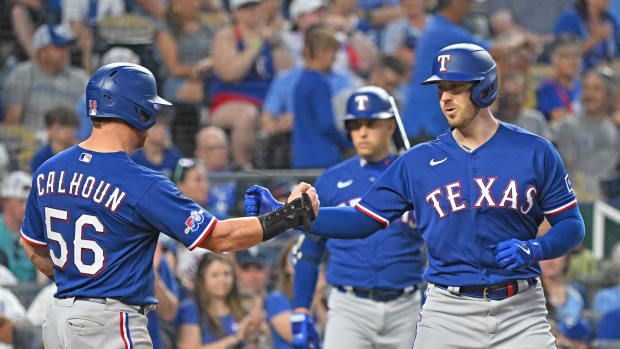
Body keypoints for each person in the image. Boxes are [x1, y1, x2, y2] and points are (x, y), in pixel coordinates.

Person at [246, 43, 586, 348]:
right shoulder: (418, 161)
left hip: (520, 308)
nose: (445, 98)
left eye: (455, 87)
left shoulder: (535, 151)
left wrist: (537, 248)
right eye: (441, 89)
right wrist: (283, 215)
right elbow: (362, 219)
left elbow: (571, 224)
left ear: (484, 88)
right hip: (447, 311)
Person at [18, 62, 318, 349]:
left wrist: (79, 287)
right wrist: (289, 215)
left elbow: (32, 247)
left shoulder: (49, 170)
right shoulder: (141, 181)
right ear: (139, 111)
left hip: (59, 318)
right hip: (108, 323)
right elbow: (218, 237)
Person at [290, 86, 424, 349]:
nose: (362, 132)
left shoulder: (414, 175)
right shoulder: (330, 180)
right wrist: (301, 309)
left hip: (407, 306)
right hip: (348, 306)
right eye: (354, 125)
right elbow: (309, 251)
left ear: (389, 126)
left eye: (371, 124)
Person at [2, 24, 88, 141]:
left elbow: (88, 122)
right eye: (59, 47)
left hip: (68, 146)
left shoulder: (80, 78)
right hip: (31, 145)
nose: (65, 52)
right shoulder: (21, 75)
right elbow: (12, 124)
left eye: (66, 47)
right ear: (42, 50)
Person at [553, 66, 619, 201]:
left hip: (611, 201)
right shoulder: (568, 125)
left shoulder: (615, 127)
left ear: (609, 95)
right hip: (577, 200)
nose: (589, 94)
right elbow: (564, 169)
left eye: (596, 89)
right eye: (586, 88)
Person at [176, 253, 264, 348]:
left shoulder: (242, 309)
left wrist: (253, 334)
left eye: (227, 274)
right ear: (202, 278)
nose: (222, 280)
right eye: (215, 275)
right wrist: (237, 337)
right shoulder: (190, 309)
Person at [292, 23, 350, 169]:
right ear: (321, 53)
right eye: (333, 53)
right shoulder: (319, 83)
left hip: (302, 157)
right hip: (322, 159)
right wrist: (349, 141)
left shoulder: (302, 80)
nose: (335, 59)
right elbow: (327, 125)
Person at [554, 0, 620, 70]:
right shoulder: (569, 20)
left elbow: (617, 51)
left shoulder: (610, 20)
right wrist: (594, 39)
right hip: (578, 74)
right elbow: (563, 55)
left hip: (608, 73)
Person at [536, 35, 583, 122]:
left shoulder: (584, 86)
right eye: (566, 57)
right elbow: (557, 117)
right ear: (553, 60)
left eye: (577, 56)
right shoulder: (547, 89)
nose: (573, 62)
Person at [494, 71, 552, 141]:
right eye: (506, 96)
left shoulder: (535, 120)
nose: (510, 102)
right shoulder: (487, 119)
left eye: (516, 95)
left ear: (525, 97)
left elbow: (547, 149)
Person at [0, 171, 36, 283]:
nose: (26, 207)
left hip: (35, 296)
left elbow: (44, 278)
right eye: (21, 201)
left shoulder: (38, 232)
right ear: (5, 202)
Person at [31, 107, 80, 172]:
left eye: (71, 126)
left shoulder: (81, 155)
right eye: (62, 127)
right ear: (49, 130)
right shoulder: (41, 158)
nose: (68, 130)